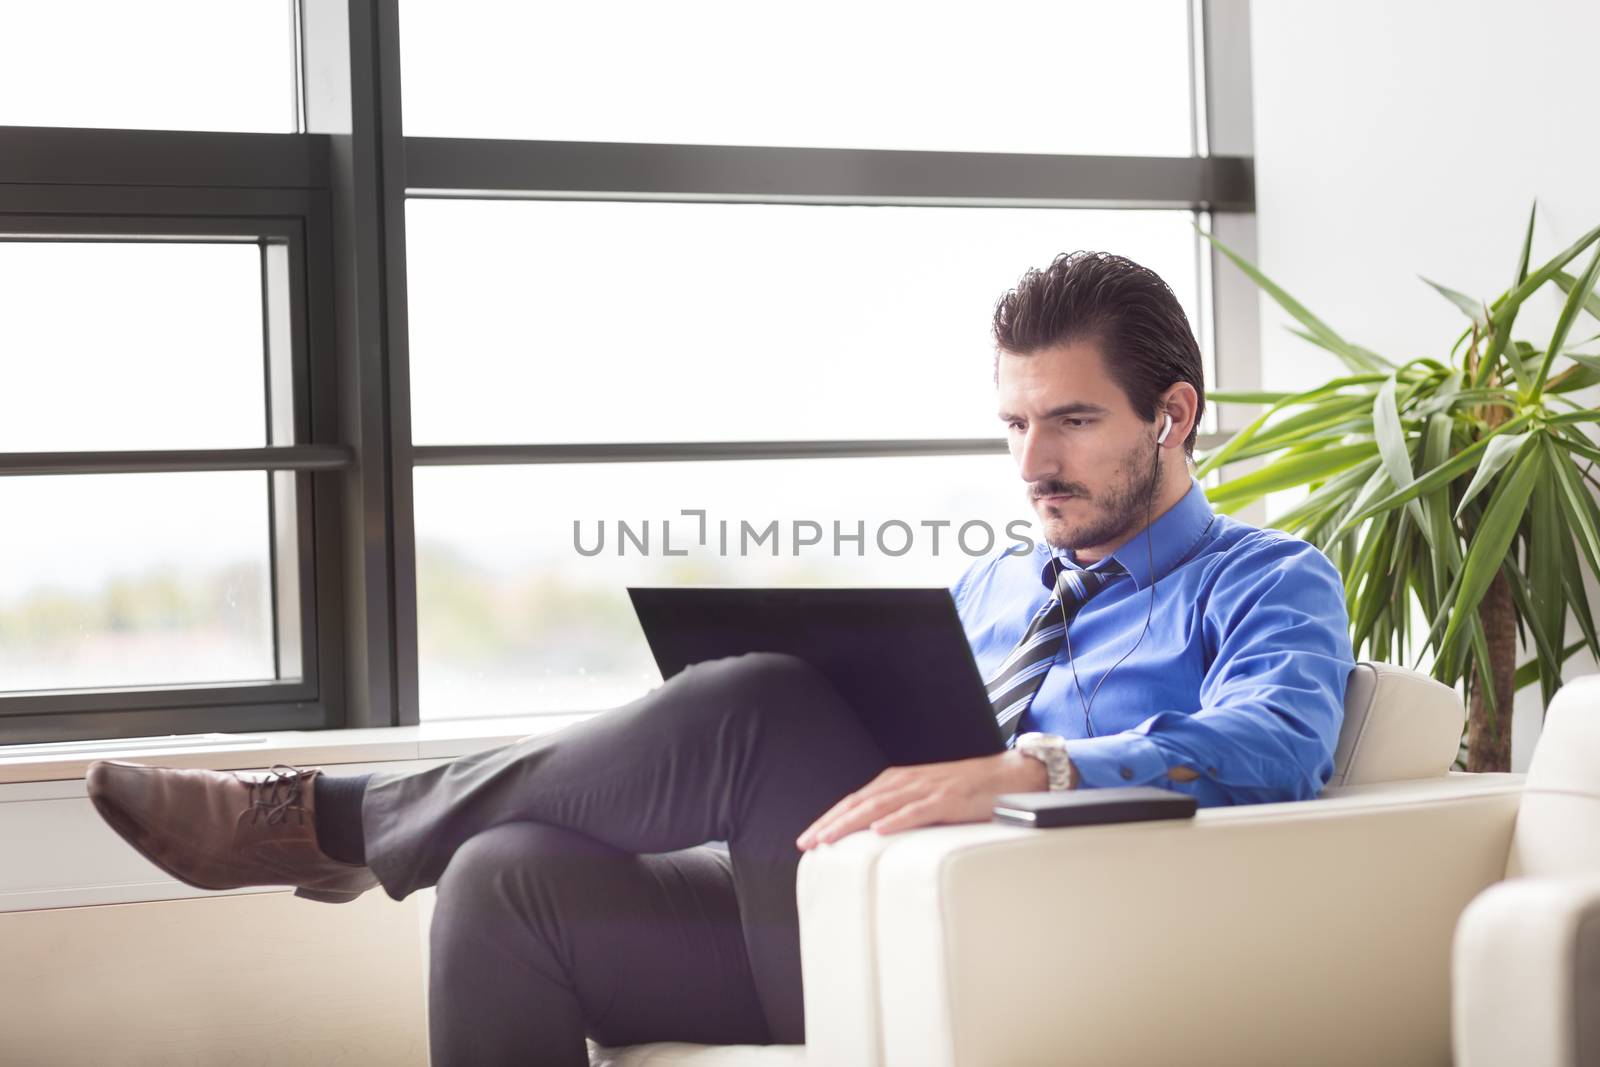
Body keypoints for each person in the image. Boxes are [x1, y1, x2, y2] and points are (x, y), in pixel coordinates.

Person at [85, 251, 1354, 1065]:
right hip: (822, 915)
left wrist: (1034, 765)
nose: (1030, 467)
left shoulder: (1266, 580)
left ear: (1172, 413)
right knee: (501, 873)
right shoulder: (989, 583)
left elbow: (1279, 746)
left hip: (1010, 944)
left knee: (759, 698)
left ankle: (333, 821)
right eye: (1015, 424)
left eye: (1071, 421)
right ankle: (388, 830)